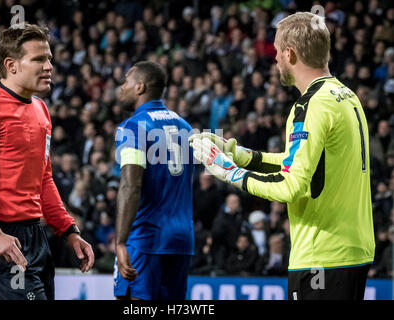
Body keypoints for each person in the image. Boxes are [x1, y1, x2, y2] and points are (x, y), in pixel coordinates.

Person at [191, 12, 375, 300]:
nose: (275, 58)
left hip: (320, 258)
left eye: (277, 51)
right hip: (352, 249)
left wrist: (229, 173)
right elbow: (306, 166)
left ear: (290, 54)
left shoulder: (309, 106)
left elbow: (292, 186)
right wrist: (242, 156)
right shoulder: (346, 96)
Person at [0, 23, 94, 300]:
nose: (49, 66)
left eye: (49, 58)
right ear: (11, 65)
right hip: (0, 235)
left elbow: (44, 178)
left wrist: (69, 230)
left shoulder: (41, 109)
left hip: (36, 236)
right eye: (39, 59)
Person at [113, 61, 194, 300]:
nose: (121, 87)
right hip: (181, 238)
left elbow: (131, 185)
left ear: (140, 87)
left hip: (146, 237)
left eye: (126, 81)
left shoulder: (134, 126)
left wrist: (120, 241)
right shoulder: (185, 126)